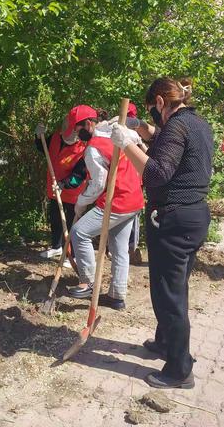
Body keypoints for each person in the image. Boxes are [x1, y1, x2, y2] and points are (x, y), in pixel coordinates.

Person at [111, 77, 213, 389]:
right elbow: (166, 141)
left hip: (174, 219)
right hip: (192, 216)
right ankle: (166, 341)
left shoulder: (178, 126)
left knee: (169, 294)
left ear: (159, 102)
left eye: (152, 111)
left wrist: (126, 144)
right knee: (174, 286)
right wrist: (142, 130)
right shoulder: (196, 122)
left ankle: (179, 369)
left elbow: (156, 173)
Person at [65, 104, 145, 310]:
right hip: (134, 199)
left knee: (79, 232)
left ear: (89, 124)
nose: (76, 132)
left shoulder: (93, 148)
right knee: (119, 249)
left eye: (77, 128)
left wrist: (80, 204)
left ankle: (88, 282)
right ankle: (116, 296)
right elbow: (137, 139)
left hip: (117, 201)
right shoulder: (114, 132)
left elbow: (98, 184)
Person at [34, 115, 87, 266]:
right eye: (65, 131)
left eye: (70, 132)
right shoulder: (56, 137)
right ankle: (56, 247)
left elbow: (79, 177)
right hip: (53, 189)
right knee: (56, 219)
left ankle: (72, 254)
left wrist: (63, 185)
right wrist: (39, 137)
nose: (65, 135)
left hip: (71, 194)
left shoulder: (82, 151)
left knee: (71, 224)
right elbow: (43, 148)